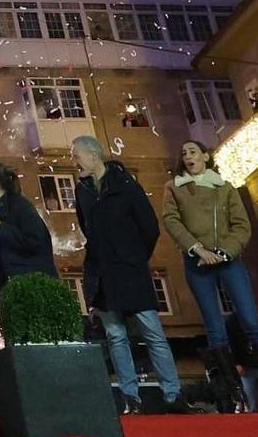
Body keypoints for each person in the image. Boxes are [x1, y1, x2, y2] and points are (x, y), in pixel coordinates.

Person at [71, 135, 193, 413]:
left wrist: (135, 256)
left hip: (130, 270)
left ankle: (173, 394)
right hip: (103, 272)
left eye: (76, 155)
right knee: (115, 336)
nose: (74, 161)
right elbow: (87, 227)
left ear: (93, 155)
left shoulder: (126, 184)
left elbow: (149, 226)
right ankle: (130, 397)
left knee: (153, 333)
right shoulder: (83, 191)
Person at [161, 140, 258, 411]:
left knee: (251, 320)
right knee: (215, 327)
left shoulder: (224, 188)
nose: (187, 156)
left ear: (205, 156)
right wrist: (197, 249)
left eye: (192, 151)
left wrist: (225, 252)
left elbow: (241, 225)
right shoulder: (174, 188)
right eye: (184, 152)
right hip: (197, 261)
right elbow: (171, 220)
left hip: (228, 259)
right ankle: (232, 392)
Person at [0, 161, 57, 294]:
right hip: (6, 279)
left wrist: (1, 228)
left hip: (30, 279)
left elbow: (36, 242)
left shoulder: (21, 206)